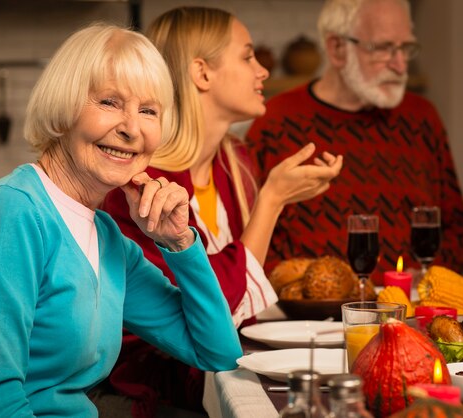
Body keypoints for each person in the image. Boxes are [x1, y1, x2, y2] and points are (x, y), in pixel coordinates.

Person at [0, 23, 242, 417]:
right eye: (110, 103)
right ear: (64, 106)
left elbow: (217, 351)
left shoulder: (107, 238)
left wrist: (180, 242)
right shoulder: (11, 213)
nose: (131, 128)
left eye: (148, 111)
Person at [100, 6, 343, 416]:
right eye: (248, 56)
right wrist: (272, 201)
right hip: (159, 389)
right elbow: (208, 307)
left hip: (218, 366)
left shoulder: (235, 163)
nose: (262, 70)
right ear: (202, 73)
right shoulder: (144, 184)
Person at [246, 0, 463, 284]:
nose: (400, 64)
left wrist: (432, 280)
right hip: (305, 320)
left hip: (412, 311)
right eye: (383, 48)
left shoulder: (422, 118)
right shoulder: (277, 121)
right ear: (337, 49)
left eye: (405, 47)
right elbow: (246, 233)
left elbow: (458, 227)